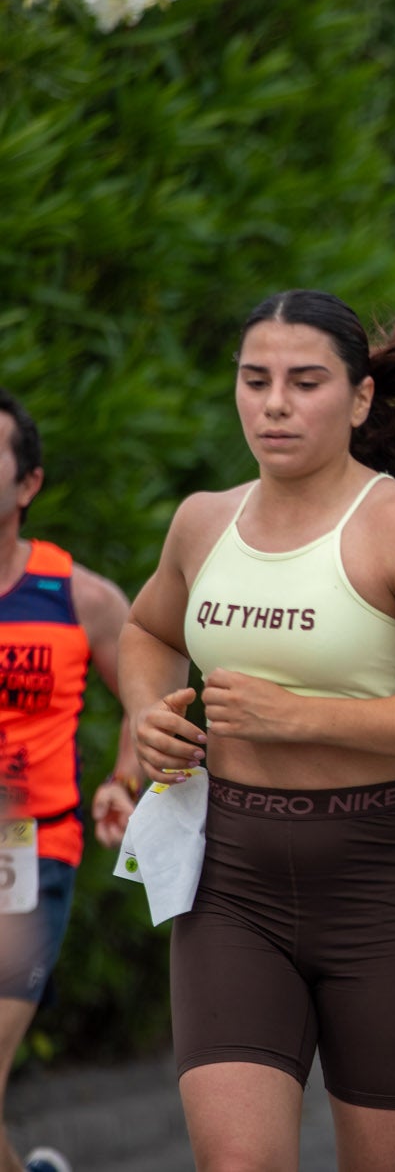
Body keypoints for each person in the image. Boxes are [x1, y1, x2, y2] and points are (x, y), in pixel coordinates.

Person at [119, 285, 395, 1172]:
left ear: (360, 397)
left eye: (305, 382)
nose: (274, 403)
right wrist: (146, 714)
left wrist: (304, 715)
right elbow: (147, 631)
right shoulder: (203, 523)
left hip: (382, 881)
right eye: (255, 379)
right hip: (230, 880)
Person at [0, 390, 142, 1172]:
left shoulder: (78, 596)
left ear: (27, 484)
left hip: (25, 848)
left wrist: (124, 778)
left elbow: (148, 699)